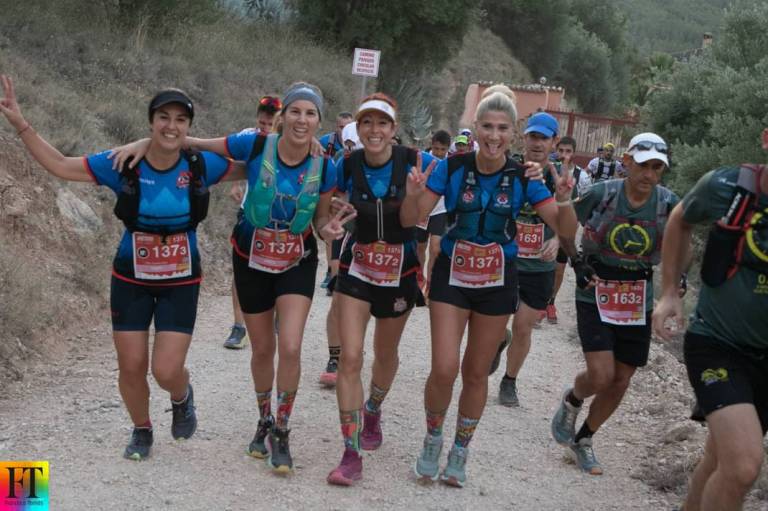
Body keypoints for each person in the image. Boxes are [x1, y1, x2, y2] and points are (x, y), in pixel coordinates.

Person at [0, 76, 247, 460]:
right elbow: (60, 165)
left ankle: (182, 396)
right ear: (151, 122)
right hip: (130, 278)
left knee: (166, 371)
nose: (171, 126)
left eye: (180, 120)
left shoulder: (200, 164)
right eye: (163, 117)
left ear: (189, 127)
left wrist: (302, 144)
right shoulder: (123, 163)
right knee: (131, 365)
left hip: (181, 280)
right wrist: (20, 124)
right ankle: (142, 429)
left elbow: (257, 164)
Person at [111, 82, 336, 475]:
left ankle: (282, 430)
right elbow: (190, 142)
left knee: (291, 346)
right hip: (250, 258)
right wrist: (145, 143)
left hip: (296, 260)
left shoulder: (326, 166)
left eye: (310, 113)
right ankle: (264, 420)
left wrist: (327, 230)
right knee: (262, 349)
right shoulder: (253, 145)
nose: (302, 120)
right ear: (283, 116)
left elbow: (320, 218)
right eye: (295, 111)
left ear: (319, 121)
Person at [402, 85, 577, 487]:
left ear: (513, 134)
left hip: (497, 282)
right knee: (444, 368)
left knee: (476, 372)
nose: (494, 136)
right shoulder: (452, 167)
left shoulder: (524, 176)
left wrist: (565, 200)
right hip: (452, 274)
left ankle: (460, 449)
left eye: (502, 128)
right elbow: (412, 218)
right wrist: (412, 195)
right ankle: (432, 439)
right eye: (487, 126)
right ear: (475, 126)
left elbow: (564, 228)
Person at [653, 129, 768, 511]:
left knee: (720, 459)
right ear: (765, 139)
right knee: (742, 467)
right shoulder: (727, 185)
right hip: (718, 345)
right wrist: (670, 292)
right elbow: (680, 218)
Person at [552, 132, 680, 475]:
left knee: (621, 378)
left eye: (656, 168)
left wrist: (678, 277)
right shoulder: (602, 193)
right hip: (596, 286)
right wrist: (576, 261)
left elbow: (683, 242)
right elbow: (565, 224)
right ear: (626, 162)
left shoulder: (669, 203)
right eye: (643, 165)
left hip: (637, 293)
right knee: (601, 374)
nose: (648, 174)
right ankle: (573, 398)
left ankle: (584, 439)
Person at [322, 93, 434, 486]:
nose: (374, 130)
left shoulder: (414, 161)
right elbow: (329, 205)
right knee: (350, 358)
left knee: (385, 355)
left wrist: (416, 195)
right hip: (357, 269)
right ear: (358, 128)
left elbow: (413, 219)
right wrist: (330, 225)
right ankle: (350, 453)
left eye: (382, 123)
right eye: (367, 122)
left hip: (399, 272)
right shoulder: (347, 164)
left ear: (393, 128)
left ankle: (373, 409)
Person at [494, 112, 564, 408]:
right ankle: (498, 340)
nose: (537, 143)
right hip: (506, 261)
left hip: (539, 266)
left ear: (554, 142)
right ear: (524, 138)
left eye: (543, 138)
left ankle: (509, 381)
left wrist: (557, 239)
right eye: (533, 137)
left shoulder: (560, 179)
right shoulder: (508, 170)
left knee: (523, 326)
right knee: (496, 323)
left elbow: (569, 218)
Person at [224, 94, 282, 349]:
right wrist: (236, 184)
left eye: (271, 122)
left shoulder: (289, 141)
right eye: (262, 121)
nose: (265, 125)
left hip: (280, 218)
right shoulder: (248, 136)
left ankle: (276, 316)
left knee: (277, 270)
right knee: (240, 270)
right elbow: (237, 159)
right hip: (249, 213)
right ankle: (238, 326)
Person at [548, 136, 591, 324]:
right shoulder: (549, 170)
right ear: (556, 150)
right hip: (546, 224)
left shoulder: (583, 176)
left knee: (559, 268)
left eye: (568, 151)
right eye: (561, 150)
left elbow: (584, 203)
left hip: (567, 228)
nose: (564, 155)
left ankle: (551, 302)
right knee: (543, 265)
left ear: (574, 152)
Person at [416, 129, 451, 294]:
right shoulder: (423, 159)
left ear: (448, 148)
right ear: (432, 145)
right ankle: (419, 278)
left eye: (443, 149)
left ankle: (431, 284)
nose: (439, 152)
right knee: (420, 246)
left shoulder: (450, 163)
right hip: (422, 209)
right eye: (436, 148)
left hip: (440, 209)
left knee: (435, 249)